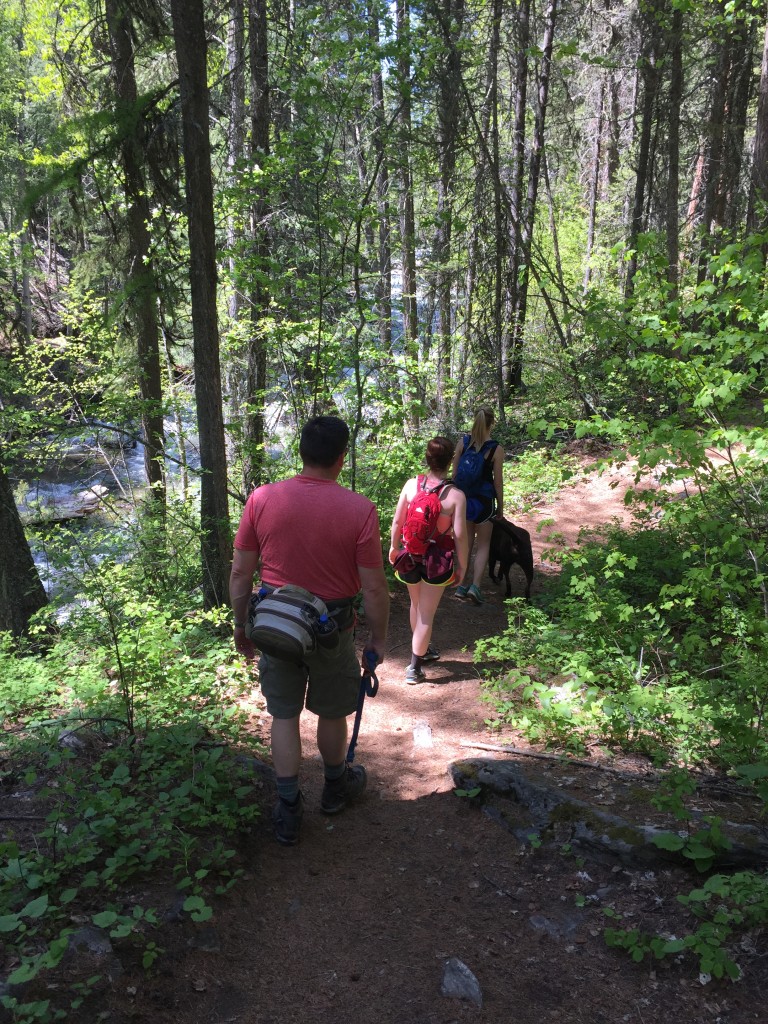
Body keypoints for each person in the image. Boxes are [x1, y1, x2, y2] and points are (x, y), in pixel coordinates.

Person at [230, 415, 390, 846]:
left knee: (283, 715)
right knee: (332, 710)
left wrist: (241, 626)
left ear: (301, 452)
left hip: (275, 627)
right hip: (331, 631)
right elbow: (374, 587)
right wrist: (377, 639)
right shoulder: (360, 509)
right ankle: (335, 788)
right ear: (342, 458)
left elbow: (241, 574)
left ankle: (288, 808)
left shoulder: (262, 499)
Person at [388, 436, 468, 684]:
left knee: (416, 605)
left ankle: (423, 649)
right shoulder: (455, 495)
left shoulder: (412, 485)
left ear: (427, 458)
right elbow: (460, 534)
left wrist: (393, 547)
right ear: (451, 461)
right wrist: (462, 565)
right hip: (437, 561)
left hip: (411, 555)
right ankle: (414, 667)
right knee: (426, 614)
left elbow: (397, 521)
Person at [451, 407, 504, 605]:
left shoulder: (463, 443)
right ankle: (476, 587)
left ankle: (461, 585)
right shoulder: (496, 449)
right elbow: (497, 482)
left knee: (465, 544)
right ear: (492, 424)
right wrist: (500, 507)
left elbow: (454, 475)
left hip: (464, 501)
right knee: (483, 545)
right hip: (484, 503)